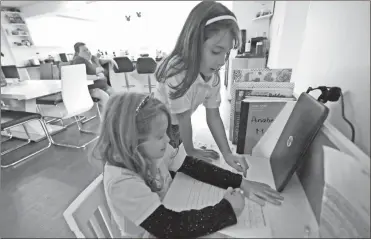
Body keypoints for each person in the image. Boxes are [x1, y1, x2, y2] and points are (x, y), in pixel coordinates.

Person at [91, 92, 283, 238]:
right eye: (159, 136)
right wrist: (227, 210)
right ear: (130, 141)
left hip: (166, 210)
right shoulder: (122, 183)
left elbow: (191, 166)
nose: (167, 139)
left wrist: (241, 182)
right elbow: (169, 227)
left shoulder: (148, 150)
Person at [155, 1, 249, 176]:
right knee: (165, 172)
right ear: (193, 43)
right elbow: (183, 120)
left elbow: (213, 116)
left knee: (180, 169)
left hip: (176, 128)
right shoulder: (176, 71)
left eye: (226, 53)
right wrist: (191, 151)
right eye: (216, 51)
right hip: (159, 129)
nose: (222, 61)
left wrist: (227, 153)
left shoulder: (213, 75)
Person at [72, 42, 117, 108]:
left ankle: (116, 114)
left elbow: (100, 61)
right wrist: (97, 77)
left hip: (104, 86)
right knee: (105, 97)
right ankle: (108, 116)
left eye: (87, 49)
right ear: (78, 53)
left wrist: (110, 60)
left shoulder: (92, 58)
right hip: (90, 89)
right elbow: (80, 76)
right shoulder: (78, 61)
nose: (87, 51)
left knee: (116, 97)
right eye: (84, 51)